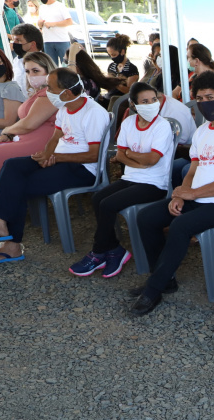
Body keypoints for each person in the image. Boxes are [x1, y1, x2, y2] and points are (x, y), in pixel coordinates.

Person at [130, 71, 214, 315]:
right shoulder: (202, 131)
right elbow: (193, 169)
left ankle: (153, 289)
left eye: (210, 97)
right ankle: (164, 278)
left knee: (180, 226)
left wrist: (192, 193)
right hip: (197, 197)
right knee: (146, 217)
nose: (204, 103)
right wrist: (181, 194)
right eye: (199, 98)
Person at [0, 68, 107, 264]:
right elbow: (55, 136)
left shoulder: (94, 113)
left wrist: (56, 158)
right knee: (12, 166)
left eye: (50, 87)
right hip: (60, 159)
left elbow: (94, 156)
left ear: (66, 92)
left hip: (83, 169)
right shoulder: (65, 108)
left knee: (19, 185)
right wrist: (47, 154)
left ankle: (13, 245)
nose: (46, 90)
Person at [68, 82, 175, 278]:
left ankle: (98, 252)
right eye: (145, 101)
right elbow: (120, 156)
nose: (152, 104)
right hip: (131, 178)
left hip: (154, 184)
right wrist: (134, 159)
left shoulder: (162, 126)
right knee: (97, 198)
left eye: (154, 100)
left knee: (108, 204)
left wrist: (128, 155)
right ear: (134, 105)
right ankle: (114, 249)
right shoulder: (128, 123)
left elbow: (151, 160)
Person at [0, 51, 56, 223]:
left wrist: (7, 130)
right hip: (24, 138)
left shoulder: (49, 94)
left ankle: (2, 210)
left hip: (38, 143)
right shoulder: (39, 92)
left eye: (36, 71)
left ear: (49, 71)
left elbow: (29, 123)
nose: (31, 76)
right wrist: (10, 131)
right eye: (28, 72)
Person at [100, 34, 138, 108]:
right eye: (110, 55)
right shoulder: (112, 66)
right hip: (109, 99)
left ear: (122, 52)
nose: (112, 57)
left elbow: (129, 91)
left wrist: (115, 83)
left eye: (114, 55)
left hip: (121, 102)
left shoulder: (132, 69)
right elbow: (109, 89)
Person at [36, 0, 72, 65]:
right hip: (47, 41)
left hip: (62, 40)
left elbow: (69, 21)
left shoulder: (60, 6)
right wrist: (39, 23)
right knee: (51, 66)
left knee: (66, 65)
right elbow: (39, 25)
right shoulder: (42, 7)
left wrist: (53, 24)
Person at [10, 23, 43, 94]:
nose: (14, 43)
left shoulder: (42, 62)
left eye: (18, 40)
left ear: (32, 44)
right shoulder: (17, 60)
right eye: (14, 40)